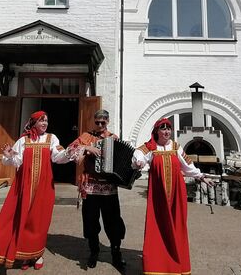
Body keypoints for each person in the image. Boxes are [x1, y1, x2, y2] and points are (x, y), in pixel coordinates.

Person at [0, 111, 75, 270]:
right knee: (23, 218)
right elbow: (16, 160)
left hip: (44, 186)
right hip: (24, 185)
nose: (45, 123)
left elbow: (57, 156)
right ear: (33, 123)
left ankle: (37, 254)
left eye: (46, 121)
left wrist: (68, 153)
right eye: (41, 121)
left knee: (39, 220)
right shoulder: (23, 140)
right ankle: (24, 255)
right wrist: (8, 155)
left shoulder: (51, 138)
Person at [132, 118, 213, 275]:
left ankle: (177, 264)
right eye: (163, 129)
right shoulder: (150, 147)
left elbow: (189, 166)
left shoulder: (176, 147)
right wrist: (139, 162)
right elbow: (138, 155)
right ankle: (158, 265)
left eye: (169, 129)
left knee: (177, 226)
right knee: (158, 227)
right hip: (158, 197)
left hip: (177, 195)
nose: (167, 132)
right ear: (157, 131)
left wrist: (202, 176)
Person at [67, 109, 126, 269]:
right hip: (91, 186)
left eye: (103, 122)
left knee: (113, 221)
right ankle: (94, 251)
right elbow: (70, 151)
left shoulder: (114, 139)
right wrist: (87, 148)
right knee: (91, 221)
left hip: (109, 188)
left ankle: (116, 252)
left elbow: (120, 159)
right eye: (97, 122)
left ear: (107, 121)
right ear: (94, 121)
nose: (100, 125)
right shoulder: (86, 136)